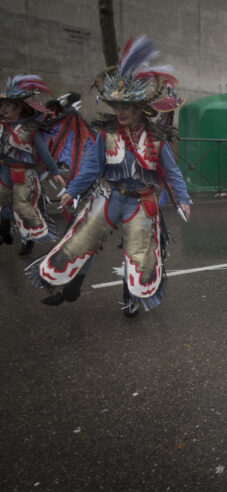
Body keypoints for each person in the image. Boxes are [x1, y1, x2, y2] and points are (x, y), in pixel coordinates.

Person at [26, 36, 191, 317]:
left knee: (138, 252)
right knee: (83, 239)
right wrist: (73, 190)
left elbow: (172, 172)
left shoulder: (157, 139)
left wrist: (183, 198)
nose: (121, 112)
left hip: (141, 201)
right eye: (117, 106)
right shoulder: (106, 134)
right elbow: (91, 167)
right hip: (110, 195)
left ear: (140, 108)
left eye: (126, 106)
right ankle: (72, 287)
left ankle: (131, 298)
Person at [0, 75, 61, 254]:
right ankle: (4, 233)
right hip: (4, 170)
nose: (4, 109)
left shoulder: (30, 127)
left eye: (8, 105)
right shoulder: (1, 126)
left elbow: (43, 151)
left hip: (23, 173)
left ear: (20, 107)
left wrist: (54, 170)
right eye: (2, 105)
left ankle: (29, 239)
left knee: (22, 205)